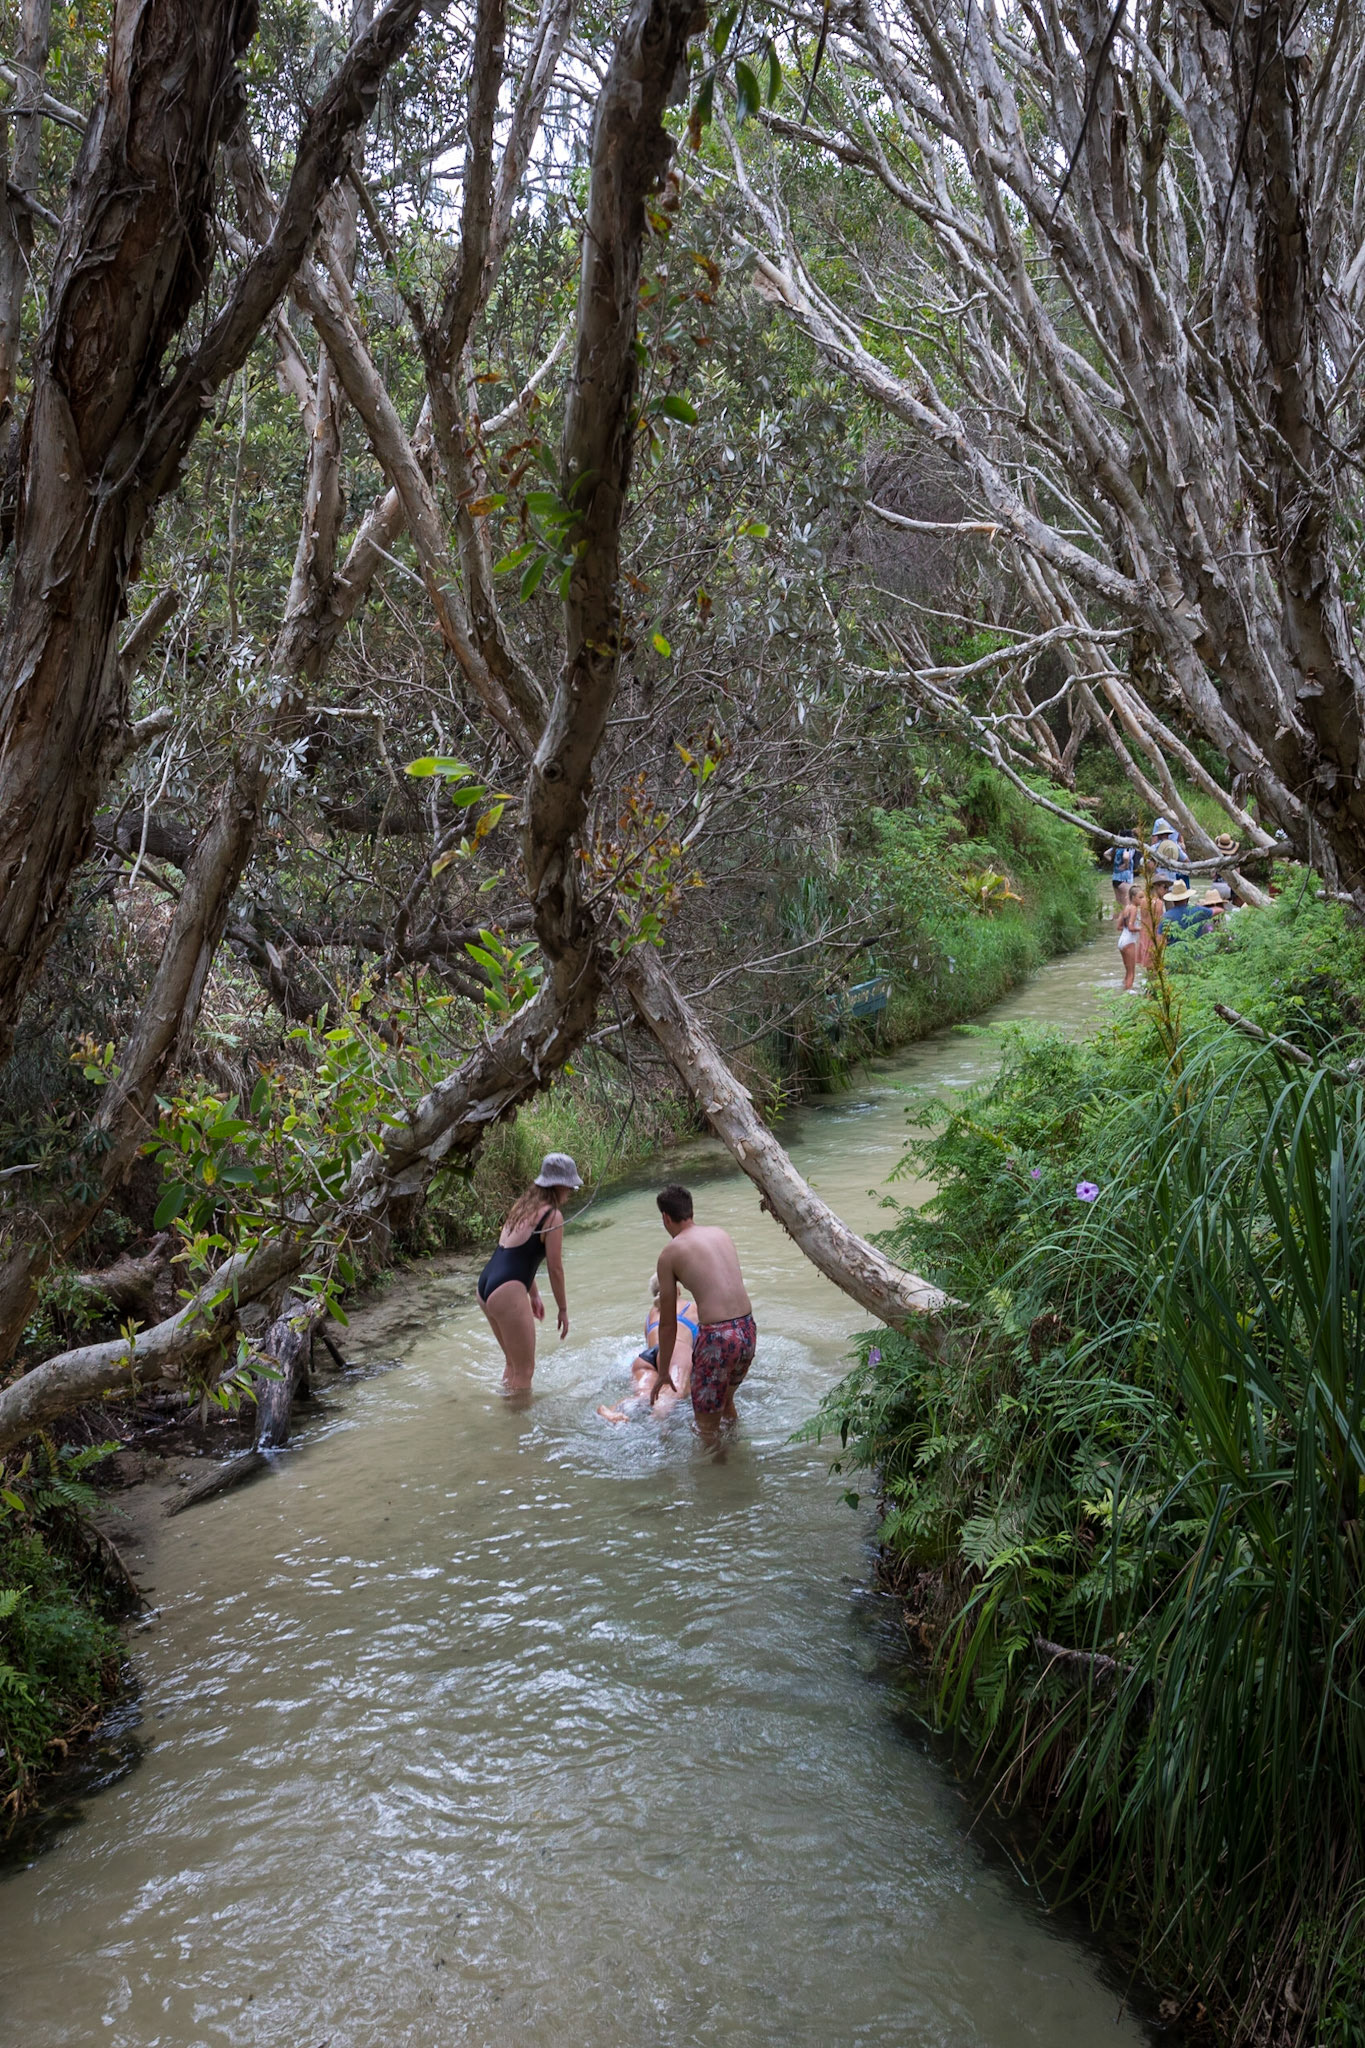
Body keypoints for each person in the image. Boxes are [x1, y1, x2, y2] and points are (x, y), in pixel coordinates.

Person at [654, 1183, 756, 1433]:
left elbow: (667, 1323)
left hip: (717, 1338)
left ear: (666, 1218)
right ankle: (737, 1454)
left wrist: (664, 1371)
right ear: (691, 1212)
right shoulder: (720, 1234)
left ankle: (719, 1468)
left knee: (705, 1428)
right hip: (747, 1330)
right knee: (726, 1404)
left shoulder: (670, 1253)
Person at [476, 1151, 581, 1394]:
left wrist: (533, 1295)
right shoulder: (552, 1216)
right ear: (559, 1186)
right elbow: (555, 1268)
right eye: (569, 1187)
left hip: (486, 1284)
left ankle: (507, 1416)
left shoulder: (522, 1206)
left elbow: (518, 1253)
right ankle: (516, 1429)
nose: (570, 1193)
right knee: (524, 1372)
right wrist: (563, 1309)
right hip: (507, 1290)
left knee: (513, 1365)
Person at [597, 1274, 698, 1423]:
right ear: (677, 1289)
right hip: (675, 1349)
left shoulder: (650, 1314)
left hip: (646, 1358)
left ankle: (611, 1410)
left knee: (644, 1397)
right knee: (674, 1391)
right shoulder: (691, 1307)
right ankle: (656, 1423)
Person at [1116, 888, 1142, 990]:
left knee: (1127, 972)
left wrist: (1129, 928)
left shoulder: (1126, 908)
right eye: (1140, 897)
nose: (1142, 900)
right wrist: (1142, 929)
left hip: (1122, 941)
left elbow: (1119, 927)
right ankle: (1128, 997)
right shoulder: (1134, 909)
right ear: (1133, 897)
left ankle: (1123, 990)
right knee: (1132, 973)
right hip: (1129, 942)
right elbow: (1131, 928)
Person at [1105, 836, 1136, 909]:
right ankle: (1128, 920)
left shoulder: (1116, 847)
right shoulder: (1128, 847)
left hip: (1115, 878)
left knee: (1118, 904)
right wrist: (1126, 865)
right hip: (1125, 879)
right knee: (1127, 904)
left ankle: (1115, 919)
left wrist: (1113, 861)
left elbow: (1106, 854)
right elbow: (1126, 857)